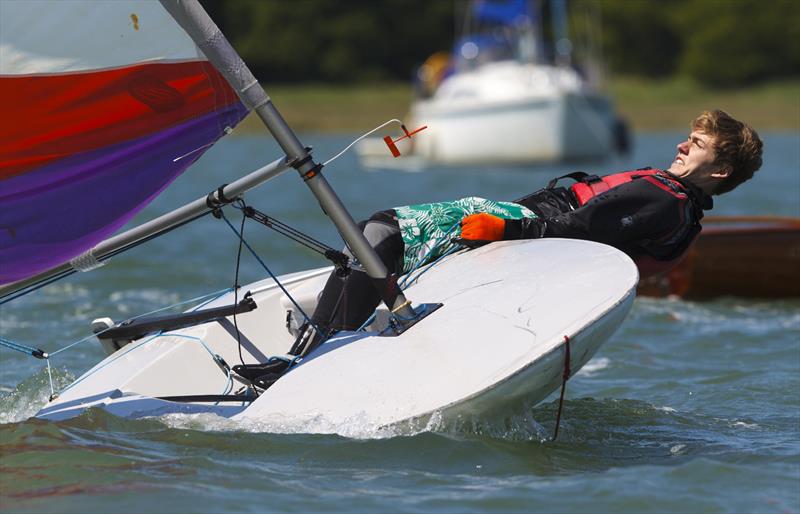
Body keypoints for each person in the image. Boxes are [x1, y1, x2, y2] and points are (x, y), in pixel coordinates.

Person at [235, 109, 763, 387]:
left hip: (523, 226)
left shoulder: (666, 200)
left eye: (696, 145)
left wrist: (501, 231)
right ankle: (330, 336)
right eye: (687, 136)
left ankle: (307, 357)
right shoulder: (682, 210)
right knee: (381, 243)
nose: (680, 144)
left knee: (380, 233)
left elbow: (578, 231)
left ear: (718, 170)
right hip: (527, 235)